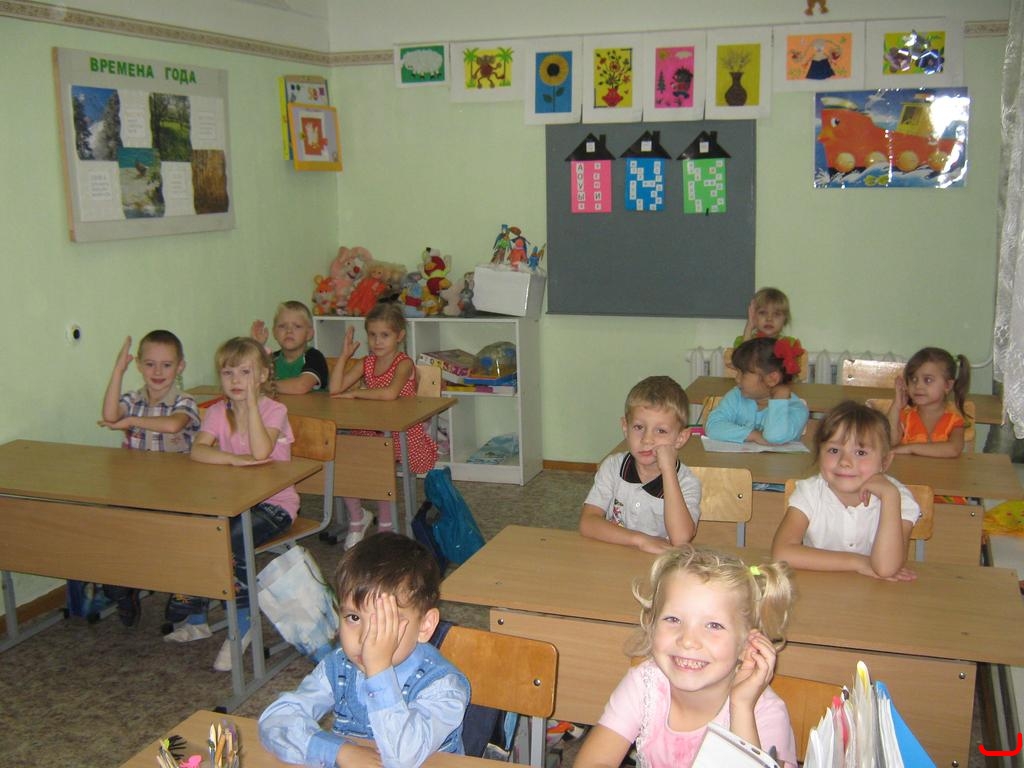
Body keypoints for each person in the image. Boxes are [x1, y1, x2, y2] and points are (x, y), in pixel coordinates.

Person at [259, 532, 470, 768]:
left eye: (385, 622)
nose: (366, 638)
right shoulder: (339, 666)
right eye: (354, 617)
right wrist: (337, 751)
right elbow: (275, 720)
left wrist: (378, 670)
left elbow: (403, 758)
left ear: (425, 626)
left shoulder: (442, 686)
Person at [575, 545, 797, 768]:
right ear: (651, 625)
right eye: (673, 619)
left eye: (713, 625)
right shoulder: (645, 684)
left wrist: (741, 707)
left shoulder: (765, 712)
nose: (688, 640)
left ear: (747, 644)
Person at [163, 337, 299, 672]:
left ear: (263, 376)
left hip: (274, 504)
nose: (236, 380)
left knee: (231, 542)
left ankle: (243, 622)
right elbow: (198, 450)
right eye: (228, 373)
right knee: (198, 532)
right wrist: (232, 460)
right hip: (231, 503)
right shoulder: (216, 412)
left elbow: (261, 451)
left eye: (245, 373)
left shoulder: (275, 411)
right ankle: (197, 619)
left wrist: (251, 405)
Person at [98, 330, 200, 626]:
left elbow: (173, 425)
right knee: (117, 525)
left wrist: (130, 421)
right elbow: (110, 414)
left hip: (177, 491)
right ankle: (125, 585)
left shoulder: (184, 401)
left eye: (166, 365)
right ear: (140, 366)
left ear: (180, 367)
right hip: (137, 489)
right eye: (150, 364)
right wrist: (118, 371)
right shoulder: (133, 399)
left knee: (181, 533)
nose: (157, 372)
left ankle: (186, 587)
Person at [772, 401, 921, 581]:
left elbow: (885, 568)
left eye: (860, 453)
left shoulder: (898, 498)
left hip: (876, 594)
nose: (844, 461)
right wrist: (858, 562)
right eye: (834, 450)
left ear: (885, 461)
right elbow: (782, 554)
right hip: (820, 587)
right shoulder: (809, 492)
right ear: (819, 453)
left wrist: (889, 497)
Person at [328, 302, 437, 548]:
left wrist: (356, 393)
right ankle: (357, 518)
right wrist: (344, 356)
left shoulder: (403, 363)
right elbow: (335, 389)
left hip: (402, 434)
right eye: (372, 335)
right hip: (371, 430)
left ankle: (386, 525)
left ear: (400, 336)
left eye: (385, 335)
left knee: (379, 460)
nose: (377, 341)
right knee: (342, 456)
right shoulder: (366, 362)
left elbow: (390, 393)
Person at [579, 375, 701, 553]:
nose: (647, 439)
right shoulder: (613, 467)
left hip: (658, 564)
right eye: (638, 427)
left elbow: (680, 539)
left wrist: (668, 470)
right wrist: (640, 540)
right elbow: (587, 522)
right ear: (625, 427)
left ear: (680, 438)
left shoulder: (686, 482)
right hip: (615, 557)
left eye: (661, 431)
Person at [706, 337, 809, 445]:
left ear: (772, 379)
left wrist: (779, 400)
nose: (737, 379)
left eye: (743, 374)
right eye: (737, 372)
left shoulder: (796, 408)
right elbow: (712, 427)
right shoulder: (737, 396)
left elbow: (775, 437)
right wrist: (753, 435)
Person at [887, 347, 971, 458]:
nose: (918, 386)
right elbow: (889, 442)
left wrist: (910, 448)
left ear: (948, 385)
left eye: (928, 380)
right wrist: (896, 406)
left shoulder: (954, 421)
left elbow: (954, 449)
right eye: (913, 379)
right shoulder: (905, 417)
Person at [251, 300, 330, 394]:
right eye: (282, 326)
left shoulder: (314, 357)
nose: (289, 331)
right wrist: (257, 346)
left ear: (309, 334)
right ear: (274, 332)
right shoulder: (271, 359)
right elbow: (249, 377)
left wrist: (264, 386)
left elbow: (301, 386)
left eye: (297, 326)